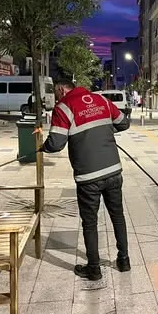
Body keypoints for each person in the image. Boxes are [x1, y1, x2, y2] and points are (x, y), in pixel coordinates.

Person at [40, 78, 132, 281]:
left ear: (61, 89)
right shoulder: (101, 100)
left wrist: (42, 147)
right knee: (118, 216)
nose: (55, 97)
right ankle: (124, 261)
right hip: (113, 171)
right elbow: (123, 123)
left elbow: (56, 144)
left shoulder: (64, 107)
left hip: (88, 176)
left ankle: (94, 268)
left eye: (56, 93)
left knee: (90, 223)